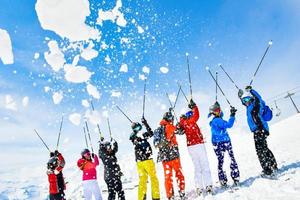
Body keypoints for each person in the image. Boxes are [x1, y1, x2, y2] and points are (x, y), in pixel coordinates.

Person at [239, 86, 277, 176]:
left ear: (251, 98)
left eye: (247, 99)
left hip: (260, 129)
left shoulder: (256, 104)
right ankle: (273, 165)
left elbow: (259, 98)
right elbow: (242, 100)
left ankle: (267, 169)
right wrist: (241, 95)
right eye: (244, 101)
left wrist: (251, 91)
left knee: (260, 150)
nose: (246, 102)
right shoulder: (248, 108)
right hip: (256, 131)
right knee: (264, 148)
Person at [178, 99, 213, 195]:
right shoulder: (191, 121)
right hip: (198, 145)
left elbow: (181, 123)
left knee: (197, 166)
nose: (191, 115)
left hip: (191, 147)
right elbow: (196, 115)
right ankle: (208, 185)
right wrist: (194, 106)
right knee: (204, 165)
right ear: (186, 115)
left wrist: (182, 118)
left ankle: (199, 187)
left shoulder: (183, 122)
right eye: (189, 114)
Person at [208, 102, 240, 187]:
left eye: (219, 110)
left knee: (221, 160)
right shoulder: (216, 120)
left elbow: (222, 117)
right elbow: (229, 125)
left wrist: (218, 106)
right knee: (230, 158)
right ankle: (235, 176)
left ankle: (222, 179)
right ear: (213, 112)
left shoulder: (215, 119)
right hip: (223, 142)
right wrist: (232, 115)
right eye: (217, 110)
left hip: (218, 143)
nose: (219, 111)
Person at [130, 117, 160, 200]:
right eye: (136, 128)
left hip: (139, 161)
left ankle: (141, 198)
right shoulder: (136, 136)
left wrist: (145, 123)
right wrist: (143, 125)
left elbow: (150, 133)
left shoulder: (139, 135)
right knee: (153, 178)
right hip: (147, 160)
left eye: (139, 127)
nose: (138, 129)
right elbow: (149, 134)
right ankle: (156, 197)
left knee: (142, 180)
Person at [158, 109, 185, 200]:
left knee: (168, 177)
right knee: (179, 173)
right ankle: (181, 192)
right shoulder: (170, 126)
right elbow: (181, 131)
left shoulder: (159, 128)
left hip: (164, 157)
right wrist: (179, 125)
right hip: (173, 154)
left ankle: (170, 196)